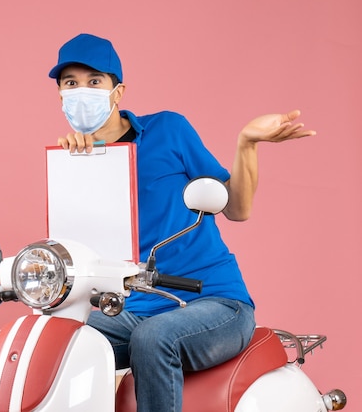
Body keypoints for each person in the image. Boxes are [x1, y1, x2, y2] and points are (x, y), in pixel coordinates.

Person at [49, 33, 315, 412]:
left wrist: (247, 143)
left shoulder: (169, 130)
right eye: (70, 83)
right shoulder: (73, 162)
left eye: (95, 81)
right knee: (60, 339)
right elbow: (81, 250)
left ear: (117, 91)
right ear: (60, 95)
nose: (82, 91)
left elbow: (237, 208)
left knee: (153, 338)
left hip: (213, 302)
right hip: (134, 309)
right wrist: (73, 169)